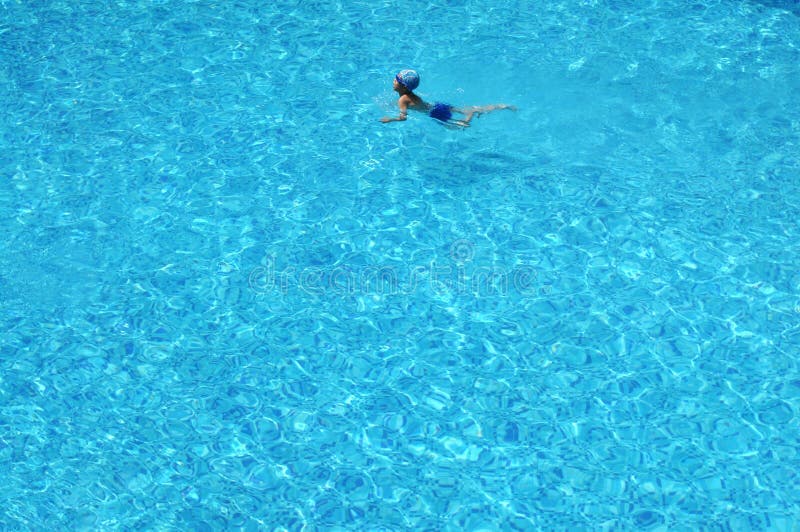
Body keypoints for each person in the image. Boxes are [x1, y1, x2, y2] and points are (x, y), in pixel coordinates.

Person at [380, 69, 516, 128]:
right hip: (436, 105)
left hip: (434, 112)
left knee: (461, 125)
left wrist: (390, 119)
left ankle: (472, 114)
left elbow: (403, 117)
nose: (393, 80)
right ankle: (500, 106)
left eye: (396, 79)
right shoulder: (408, 95)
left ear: (403, 86)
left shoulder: (402, 99)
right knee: (463, 109)